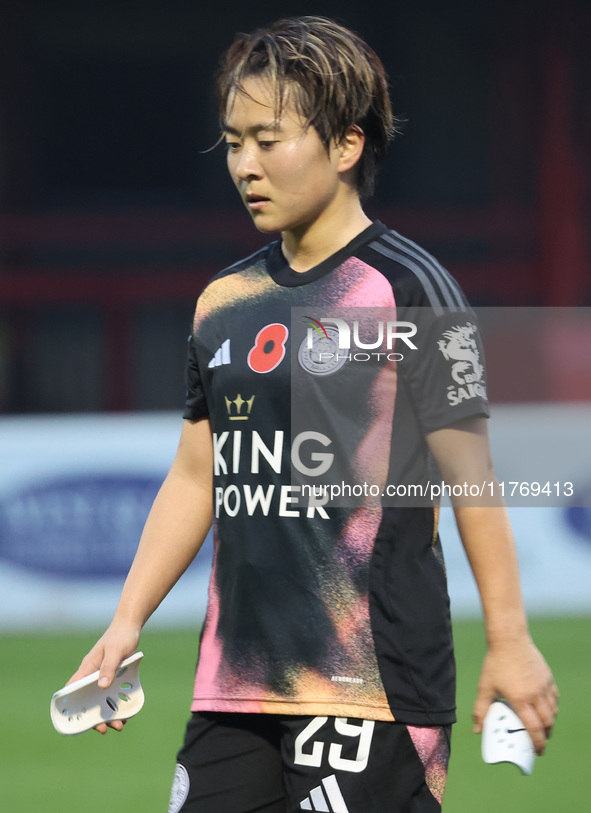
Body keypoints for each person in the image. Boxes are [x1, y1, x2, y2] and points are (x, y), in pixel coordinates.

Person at [69, 16, 558, 813]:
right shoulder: (222, 301)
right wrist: (127, 621)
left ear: (345, 146)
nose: (244, 165)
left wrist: (508, 641)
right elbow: (198, 476)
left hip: (373, 686)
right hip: (233, 690)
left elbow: (473, 476)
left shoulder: (409, 288)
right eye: (232, 142)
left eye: (268, 139)